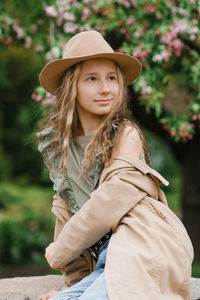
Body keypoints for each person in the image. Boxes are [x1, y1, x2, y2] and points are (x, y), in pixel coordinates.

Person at [37, 30, 193, 300]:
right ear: (70, 86)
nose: (106, 88)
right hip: (106, 262)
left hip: (143, 248)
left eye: (111, 78)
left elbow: (106, 204)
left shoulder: (125, 135)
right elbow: (67, 215)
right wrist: (71, 287)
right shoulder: (62, 146)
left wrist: (60, 251)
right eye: (92, 79)